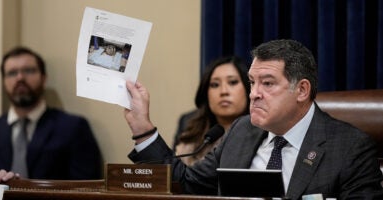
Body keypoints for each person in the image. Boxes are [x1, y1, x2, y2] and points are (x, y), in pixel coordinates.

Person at [123, 39, 383, 199]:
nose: (254, 94)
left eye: (267, 83)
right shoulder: (241, 130)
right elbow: (187, 185)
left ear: (302, 90)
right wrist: (143, 128)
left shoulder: (351, 148)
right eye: (252, 82)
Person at [0, 47, 102, 180]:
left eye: (28, 71)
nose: (20, 78)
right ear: (4, 82)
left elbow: (87, 189)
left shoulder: (74, 128)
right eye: (12, 73)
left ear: (44, 78)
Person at [173, 56, 250, 165]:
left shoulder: (262, 131)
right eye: (215, 85)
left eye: (232, 82)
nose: (223, 91)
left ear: (249, 88)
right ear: (206, 93)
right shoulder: (188, 127)